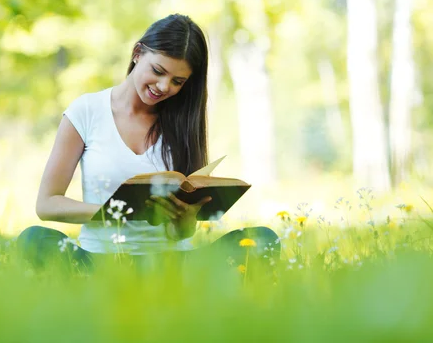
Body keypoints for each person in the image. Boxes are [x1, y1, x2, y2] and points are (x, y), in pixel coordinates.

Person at [17, 14, 279, 271]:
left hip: (170, 264)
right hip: (103, 261)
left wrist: (186, 220)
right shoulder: (87, 110)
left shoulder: (184, 121)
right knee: (34, 239)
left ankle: (167, 291)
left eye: (178, 81)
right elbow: (47, 203)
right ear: (137, 53)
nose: (164, 86)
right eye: (158, 71)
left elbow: (180, 234)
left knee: (264, 239)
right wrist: (117, 213)